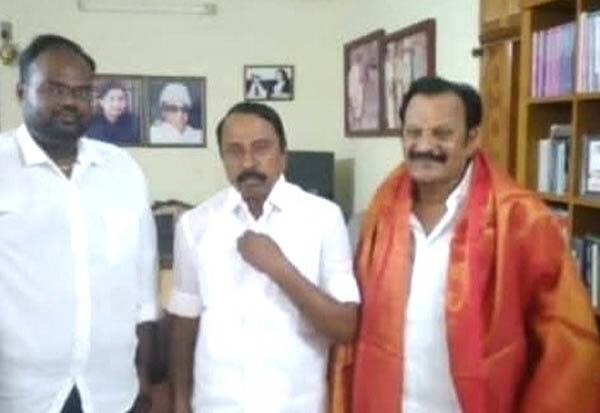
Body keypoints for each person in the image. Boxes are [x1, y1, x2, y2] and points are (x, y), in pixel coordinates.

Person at [331, 76, 600, 412]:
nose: (424, 145)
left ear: (472, 139)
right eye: (413, 132)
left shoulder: (521, 219)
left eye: (442, 134)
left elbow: (566, 343)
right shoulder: (380, 213)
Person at [0, 34, 159, 412]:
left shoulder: (122, 170)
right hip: (20, 394)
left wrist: (145, 378)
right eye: (55, 89)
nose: (70, 101)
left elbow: (143, 285)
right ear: (22, 92)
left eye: (82, 92)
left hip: (110, 391)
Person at [167, 102, 360, 413]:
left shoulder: (324, 218)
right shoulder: (195, 225)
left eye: (261, 148)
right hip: (216, 405)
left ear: (284, 155)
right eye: (234, 151)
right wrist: (179, 403)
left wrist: (279, 268)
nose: (247, 162)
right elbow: (183, 323)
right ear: (222, 158)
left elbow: (344, 326)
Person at [86, 79, 140, 144]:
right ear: (101, 102)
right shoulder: (90, 124)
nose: (116, 104)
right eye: (111, 99)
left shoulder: (134, 122)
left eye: (121, 99)